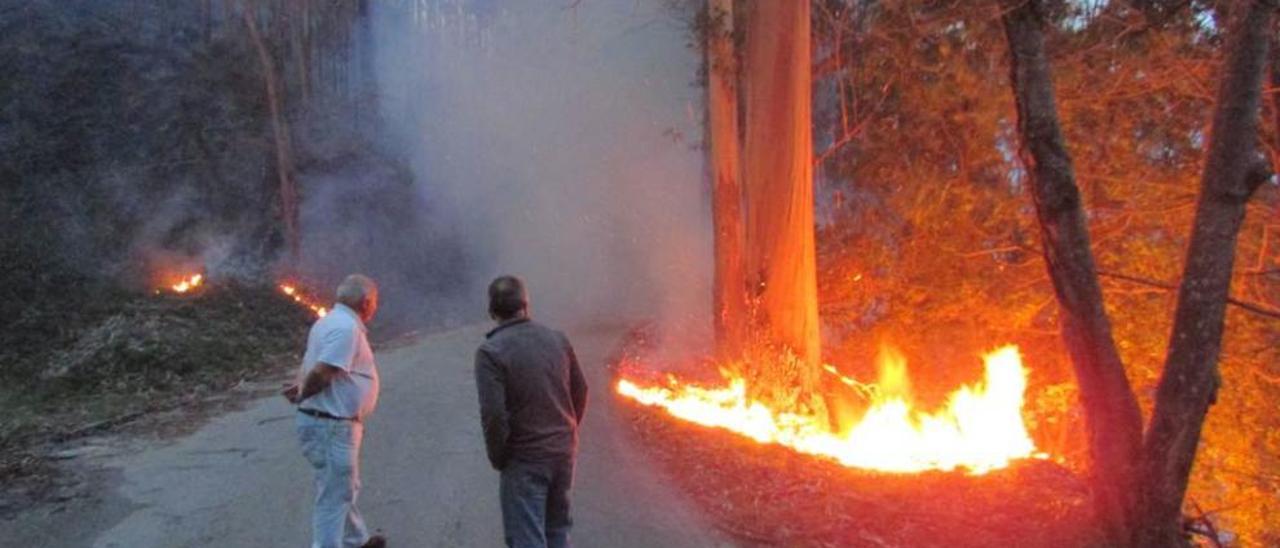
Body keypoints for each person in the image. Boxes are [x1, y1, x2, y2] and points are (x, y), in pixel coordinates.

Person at [474, 275, 589, 548]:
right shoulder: (557, 339)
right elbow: (581, 391)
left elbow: (494, 416)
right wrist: (566, 431)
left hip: (525, 459)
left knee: (527, 538)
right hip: (563, 452)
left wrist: (500, 457)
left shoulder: (491, 352)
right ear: (526, 305)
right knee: (558, 531)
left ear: (492, 311)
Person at [282, 274, 387, 548]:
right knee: (334, 495)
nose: (375, 307)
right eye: (375, 302)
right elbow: (323, 372)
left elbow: (311, 364)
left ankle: (357, 540)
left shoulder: (328, 322)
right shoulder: (346, 329)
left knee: (340, 486)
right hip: (332, 425)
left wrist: (300, 386)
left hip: (327, 423)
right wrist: (304, 393)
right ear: (366, 302)